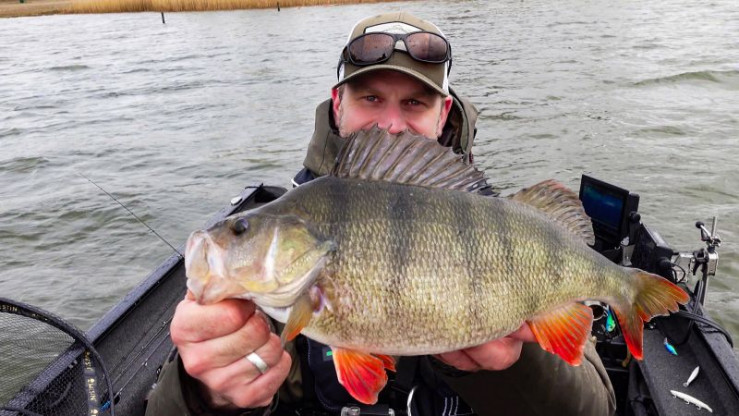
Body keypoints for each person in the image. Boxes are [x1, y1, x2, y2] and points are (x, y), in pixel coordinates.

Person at [145, 12, 617, 416]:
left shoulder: (500, 224)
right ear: (338, 105)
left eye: (414, 103)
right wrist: (206, 392)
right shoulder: (280, 249)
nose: (391, 124)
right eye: (371, 98)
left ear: (443, 113)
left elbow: (596, 408)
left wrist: (513, 360)